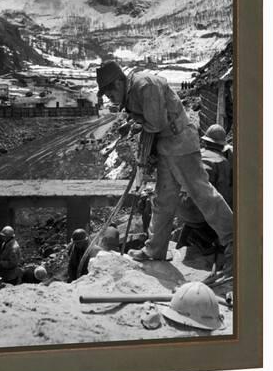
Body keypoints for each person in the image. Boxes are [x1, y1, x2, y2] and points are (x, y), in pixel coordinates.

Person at [96, 60, 233, 280]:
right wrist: (134, 123)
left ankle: (235, 243)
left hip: (181, 144)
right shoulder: (133, 90)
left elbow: (156, 122)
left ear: (119, 84)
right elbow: (151, 122)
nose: (110, 100)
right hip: (168, 147)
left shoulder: (144, 85)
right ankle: (155, 249)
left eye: (110, 95)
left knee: (202, 194)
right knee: (163, 200)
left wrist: (135, 127)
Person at [177, 124, 233, 254]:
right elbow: (223, 197)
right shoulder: (221, 162)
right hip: (197, 213)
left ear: (205, 141)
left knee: (195, 206)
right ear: (221, 145)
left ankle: (188, 238)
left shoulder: (195, 154)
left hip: (178, 207)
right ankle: (201, 239)